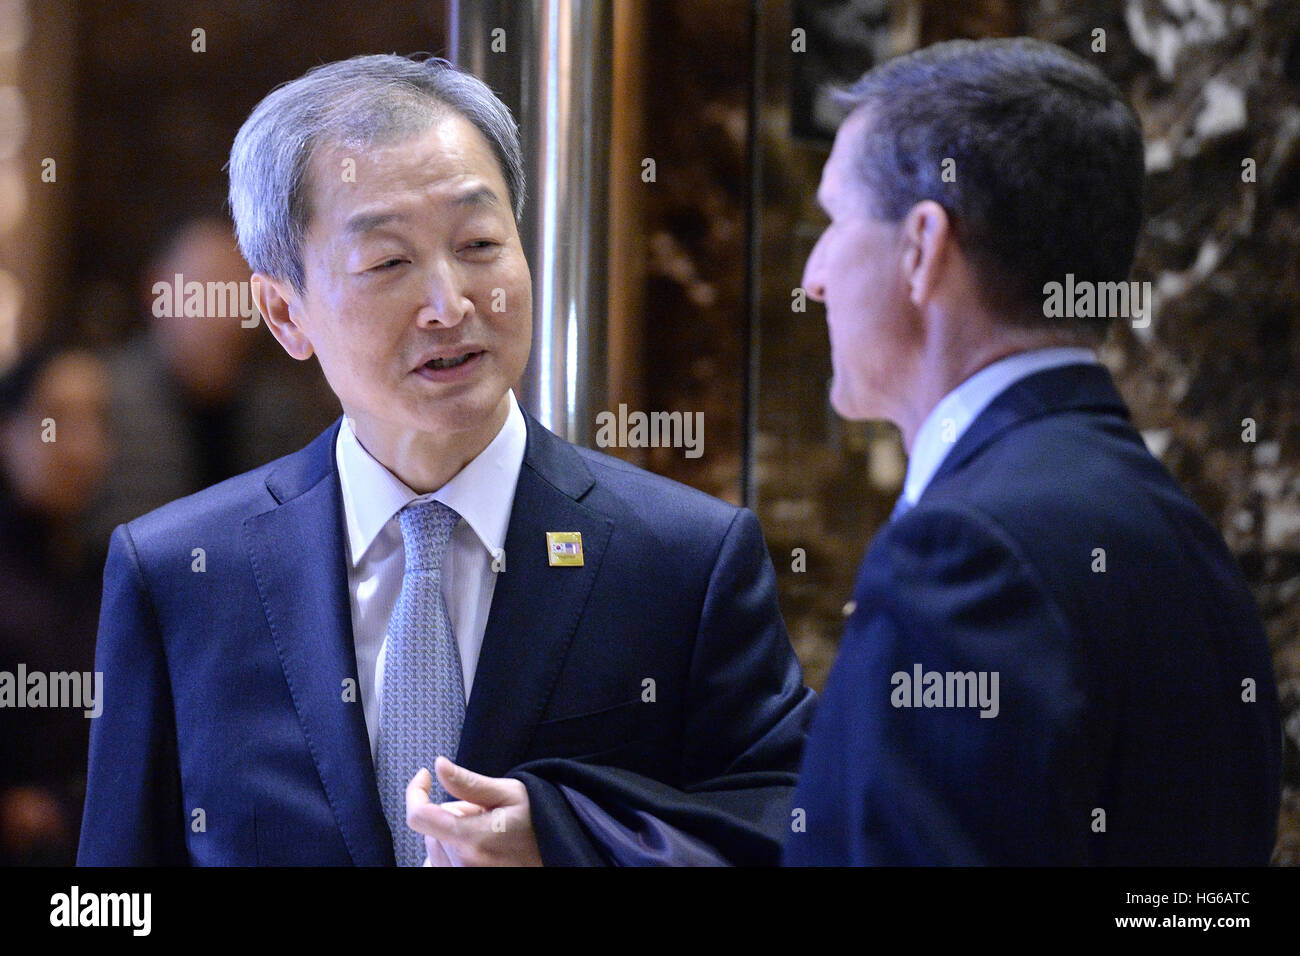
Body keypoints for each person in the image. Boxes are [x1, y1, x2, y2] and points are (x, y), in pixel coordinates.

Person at [77, 54, 814, 867]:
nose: (451, 304)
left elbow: (796, 826)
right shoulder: (182, 574)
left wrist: (571, 843)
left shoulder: (681, 558)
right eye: (388, 262)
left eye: (479, 243)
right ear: (285, 312)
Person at [783, 38, 1280, 865]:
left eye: (833, 222)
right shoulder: (1176, 527)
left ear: (921, 248)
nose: (814, 275)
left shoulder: (964, 554)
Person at [0, 346, 112, 864]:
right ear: (7, 431)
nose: (81, 447)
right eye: (56, 421)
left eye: (96, 422)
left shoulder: (104, 575)